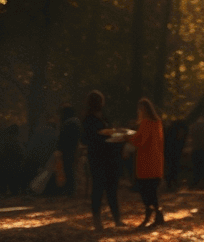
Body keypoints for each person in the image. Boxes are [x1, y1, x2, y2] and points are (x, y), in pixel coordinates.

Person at [81, 91, 123, 229]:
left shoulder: (104, 117)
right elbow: (86, 139)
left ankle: (117, 219)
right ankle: (98, 221)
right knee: (98, 187)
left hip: (110, 156)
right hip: (98, 156)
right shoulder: (88, 119)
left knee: (111, 188)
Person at [128, 98, 165, 228]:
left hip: (146, 163)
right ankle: (157, 215)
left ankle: (153, 215)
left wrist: (127, 138)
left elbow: (140, 142)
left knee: (146, 191)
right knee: (152, 191)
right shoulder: (158, 123)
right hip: (156, 162)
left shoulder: (146, 123)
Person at [56, 105, 82, 196]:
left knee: (68, 169)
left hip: (67, 148)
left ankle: (69, 190)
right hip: (74, 148)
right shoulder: (76, 121)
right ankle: (71, 189)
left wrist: (58, 148)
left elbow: (62, 138)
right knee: (71, 169)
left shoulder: (67, 123)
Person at [163, 118, 188, 191]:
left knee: (170, 167)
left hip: (169, 150)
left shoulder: (169, 130)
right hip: (175, 151)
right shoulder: (182, 128)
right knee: (174, 166)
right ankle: (173, 182)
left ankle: (170, 183)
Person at [0, 124, 22, 195]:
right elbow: (20, 153)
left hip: (5, 164)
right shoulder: (14, 141)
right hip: (13, 165)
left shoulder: (5, 140)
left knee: (5, 182)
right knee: (13, 183)